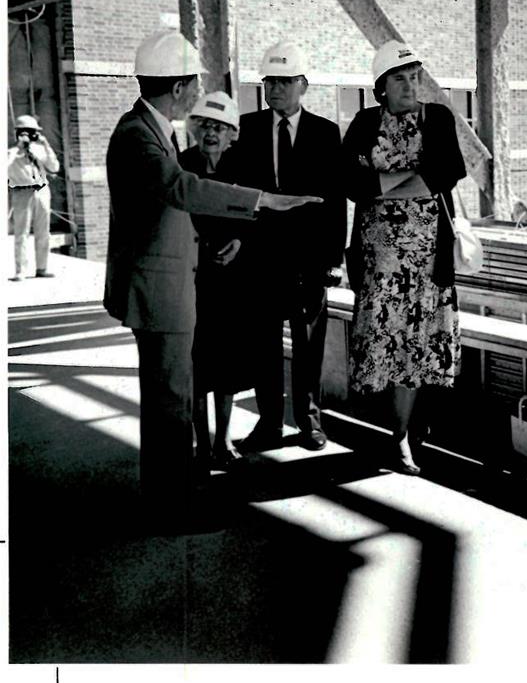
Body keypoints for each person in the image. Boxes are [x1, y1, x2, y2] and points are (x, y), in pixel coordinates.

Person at [104, 29, 319, 526]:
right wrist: (262, 200)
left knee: (171, 404)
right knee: (169, 408)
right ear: (178, 88)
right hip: (159, 292)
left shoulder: (150, 127)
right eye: (195, 83)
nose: (200, 92)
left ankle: (170, 500)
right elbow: (179, 188)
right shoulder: (137, 134)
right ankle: (170, 510)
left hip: (165, 285)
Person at [342, 41, 467, 475]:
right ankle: (399, 433)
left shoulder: (439, 118)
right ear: (381, 87)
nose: (411, 85)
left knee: (418, 345)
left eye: (415, 76)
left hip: (428, 259)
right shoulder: (362, 123)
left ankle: (403, 439)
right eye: (400, 78)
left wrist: (383, 182)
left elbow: (443, 176)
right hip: (379, 261)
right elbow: (351, 184)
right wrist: (410, 177)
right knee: (387, 344)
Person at [220, 41, 346, 453]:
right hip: (261, 260)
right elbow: (234, 190)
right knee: (264, 346)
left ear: (303, 85)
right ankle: (269, 425)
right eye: (270, 81)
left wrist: (334, 259)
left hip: (310, 262)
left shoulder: (326, 133)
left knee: (308, 346)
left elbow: (335, 201)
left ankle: (309, 424)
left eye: (285, 81)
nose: (275, 89)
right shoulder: (248, 129)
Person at [180, 91, 249, 471]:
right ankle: (201, 444)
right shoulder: (183, 165)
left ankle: (223, 439)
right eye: (205, 125)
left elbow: (255, 216)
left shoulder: (240, 167)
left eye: (220, 127)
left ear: (231, 134)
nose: (211, 133)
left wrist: (240, 241)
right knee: (196, 365)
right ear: (194, 129)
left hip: (230, 282)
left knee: (226, 365)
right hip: (193, 280)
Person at [8, 114, 60, 281]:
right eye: (27, 132)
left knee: (43, 231)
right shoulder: (11, 152)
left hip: (42, 191)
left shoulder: (39, 149)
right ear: (19, 133)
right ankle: (20, 270)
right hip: (22, 192)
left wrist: (45, 146)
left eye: (33, 132)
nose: (30, 135)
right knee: (21, 233)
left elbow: (54, 167)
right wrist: (19, 149)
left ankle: (42, 267)